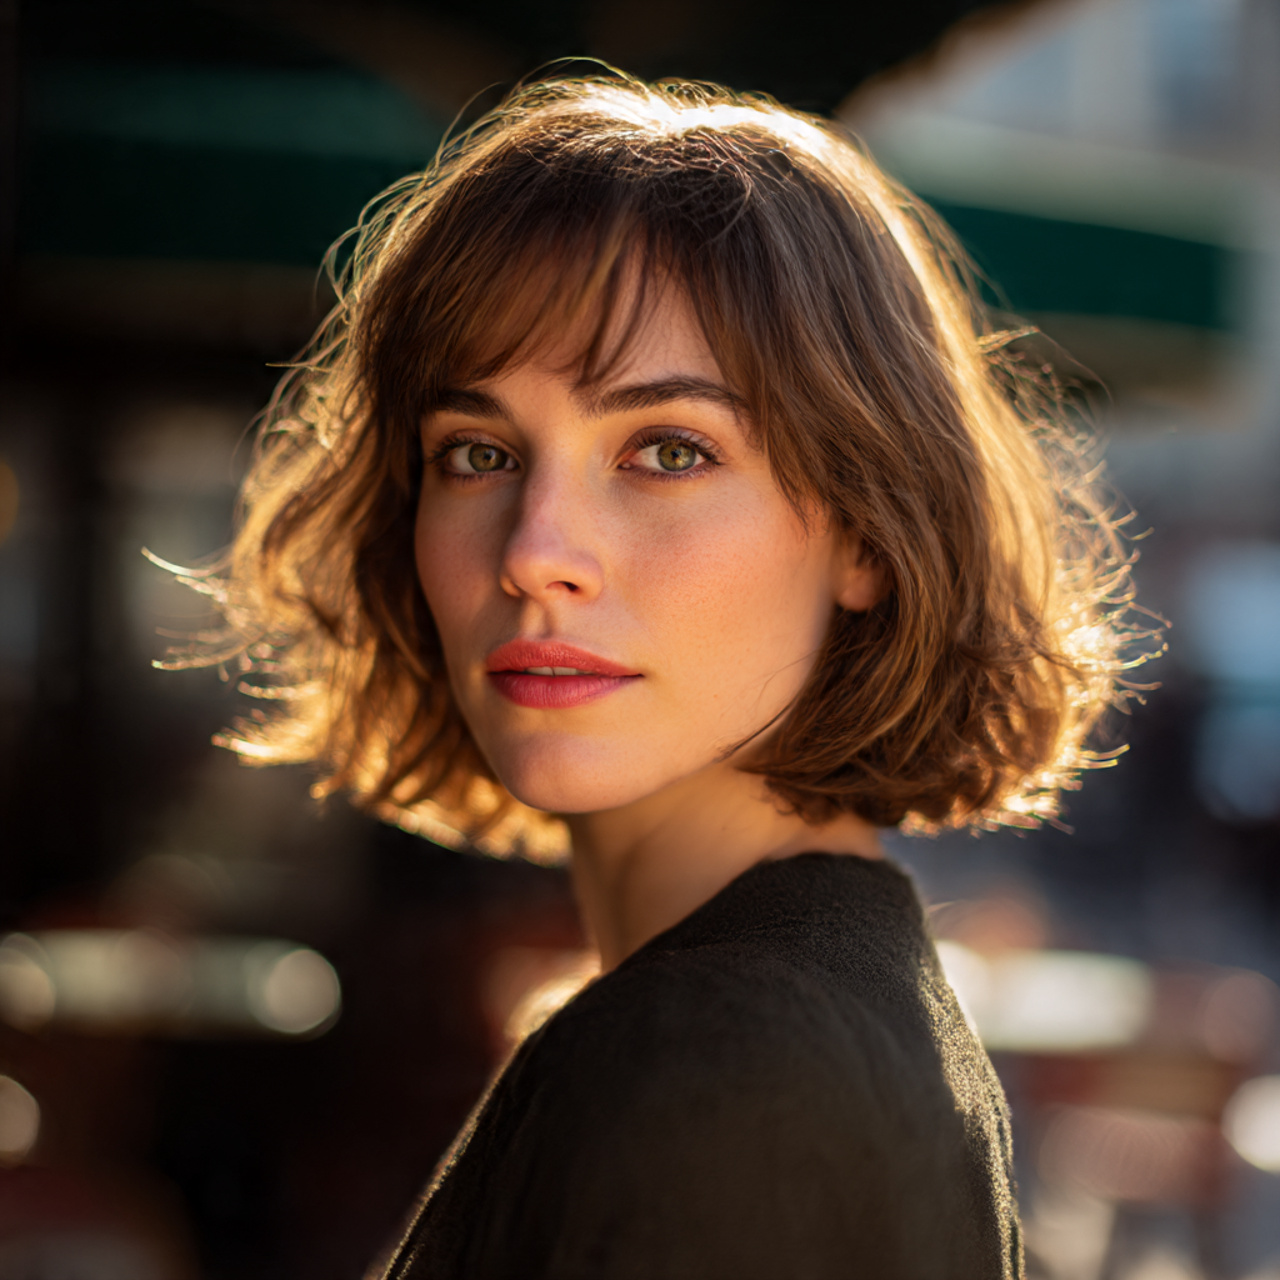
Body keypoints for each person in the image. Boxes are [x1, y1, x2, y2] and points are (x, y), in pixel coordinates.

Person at [165, 71, 1151, 1279]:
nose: (533, 553)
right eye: (476, 452)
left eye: (665, 449)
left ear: (863, 532)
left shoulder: (719, 1064)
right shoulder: (802, 1011)